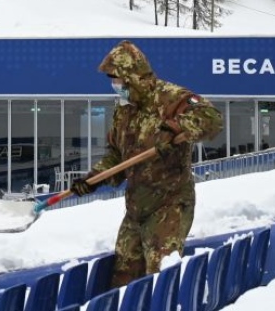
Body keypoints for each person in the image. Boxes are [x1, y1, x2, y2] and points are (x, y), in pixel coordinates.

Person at [69, 40, 223, 288]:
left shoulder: (172, 98)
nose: (115, 86)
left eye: (118, 80)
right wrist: (92, 179)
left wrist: (173, 128)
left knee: (160, 277)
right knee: (123, 278)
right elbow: (117, 156)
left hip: (169, 202)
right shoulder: (124, 110)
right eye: (113, 80)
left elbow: (211, 119)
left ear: (133, 77)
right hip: (136, 207)